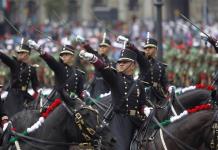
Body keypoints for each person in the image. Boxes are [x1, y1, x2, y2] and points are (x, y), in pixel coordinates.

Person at [79, 48, 150, 150]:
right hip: (119, 122)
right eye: (120, 62)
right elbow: (103, 69)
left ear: (133, 65)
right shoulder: (115, 78)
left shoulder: (138, 84)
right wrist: (93, 59)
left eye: (125, 62)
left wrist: (145, 109)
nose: (121, 64)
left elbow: (142, 103)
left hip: (136, 121)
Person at [0, 42, 39, 117]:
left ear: (27, 54)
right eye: (19, 53)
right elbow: (5, 58)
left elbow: (35, 85)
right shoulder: (14, 64)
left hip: (24, 95)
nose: (19, 54)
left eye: (21, 53)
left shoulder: (32, 69)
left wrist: (38, 91)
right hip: (13, 95)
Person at [140, 37, 169, 105]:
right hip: (142, 91)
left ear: (156, 49)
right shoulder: (142, 60)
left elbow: (164, 81)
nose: (147, 50)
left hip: (157, 93)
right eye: (145, 48)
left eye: (150, 48)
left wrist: (169, 88)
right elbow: (137, 53)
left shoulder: (160, 65)